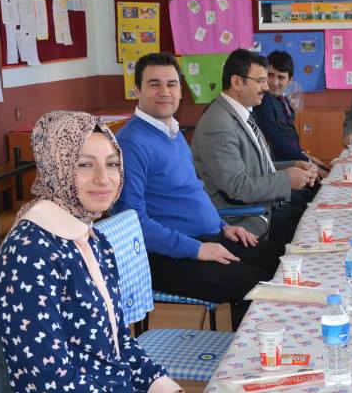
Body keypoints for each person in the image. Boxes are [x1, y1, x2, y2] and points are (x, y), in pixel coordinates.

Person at [0, 111, 197, 393]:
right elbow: (49, 379)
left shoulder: (91, 237)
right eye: (84, 165)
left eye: (112, 164)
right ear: (56, 167)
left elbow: (118, 341)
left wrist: (166, 391)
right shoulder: (29, 252)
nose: (104, 179)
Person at [114, 52, 285, 331]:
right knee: (258, 284)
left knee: (281, 259)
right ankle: (250, 354)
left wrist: (224, 226)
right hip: (167, 256)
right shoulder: (131, 143)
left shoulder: (172, 132)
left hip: (208, 237)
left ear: (181, 91)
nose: (165, 92)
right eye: (154, 84)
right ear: (137, 90)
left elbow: (194, 191)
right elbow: (132, 223)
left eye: (171, 84)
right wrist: (197, 250)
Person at [192, 49, 318, 243]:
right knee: (312, 229)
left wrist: (293, 165)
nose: (266, 87)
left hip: (264, 209)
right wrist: (287, 180)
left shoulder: (240, 114)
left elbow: (255, 168)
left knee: (316, 214)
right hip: (247, 222)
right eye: (260, 81)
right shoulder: (218, 123)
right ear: (237, 82)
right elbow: (237, 187)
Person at [252, 50, 327, 206]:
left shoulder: (283, 100)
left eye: (281, 77)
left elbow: (289, 136)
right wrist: (306, 160)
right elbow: (276, 139)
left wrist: (307, 157)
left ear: (290, 80)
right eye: (270, 75)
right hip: (282, 167)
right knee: (319, 192)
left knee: (325, 181)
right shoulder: (264, 101)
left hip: (294, 161)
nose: (274, 82)